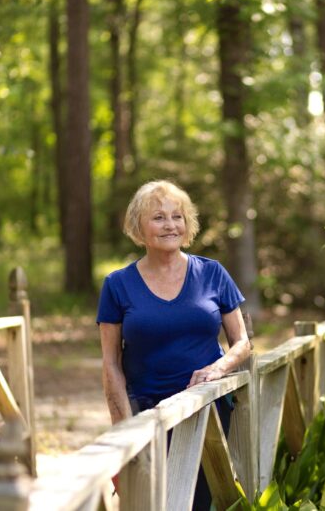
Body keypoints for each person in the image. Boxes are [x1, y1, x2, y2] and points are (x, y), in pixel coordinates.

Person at [97, 179, 251, 509]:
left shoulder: (213, 274)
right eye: (158, 217)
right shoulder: (117, 285)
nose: (170, 225)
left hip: (207, 409)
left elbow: (242, 344)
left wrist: (217, 368)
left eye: (177, 216)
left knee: (199, 501)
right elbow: (110, 362)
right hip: (146, 414)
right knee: (153, 503)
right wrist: (123, 428)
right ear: (139, 226)